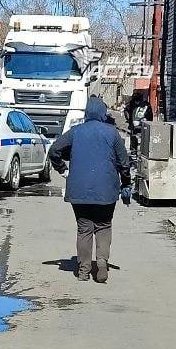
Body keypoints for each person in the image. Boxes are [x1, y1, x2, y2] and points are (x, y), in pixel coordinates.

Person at [48, 96, 131, 283]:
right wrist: (126, 184)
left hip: (79, 191)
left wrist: (63, 169)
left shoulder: (75, 132)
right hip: (106, 190)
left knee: (84, 228)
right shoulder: (112, 133)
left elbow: (54, 150)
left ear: (86, 114)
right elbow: (124, 164)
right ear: (102, 113)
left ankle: (84, 270)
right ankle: (101, 262)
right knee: (103, 225)